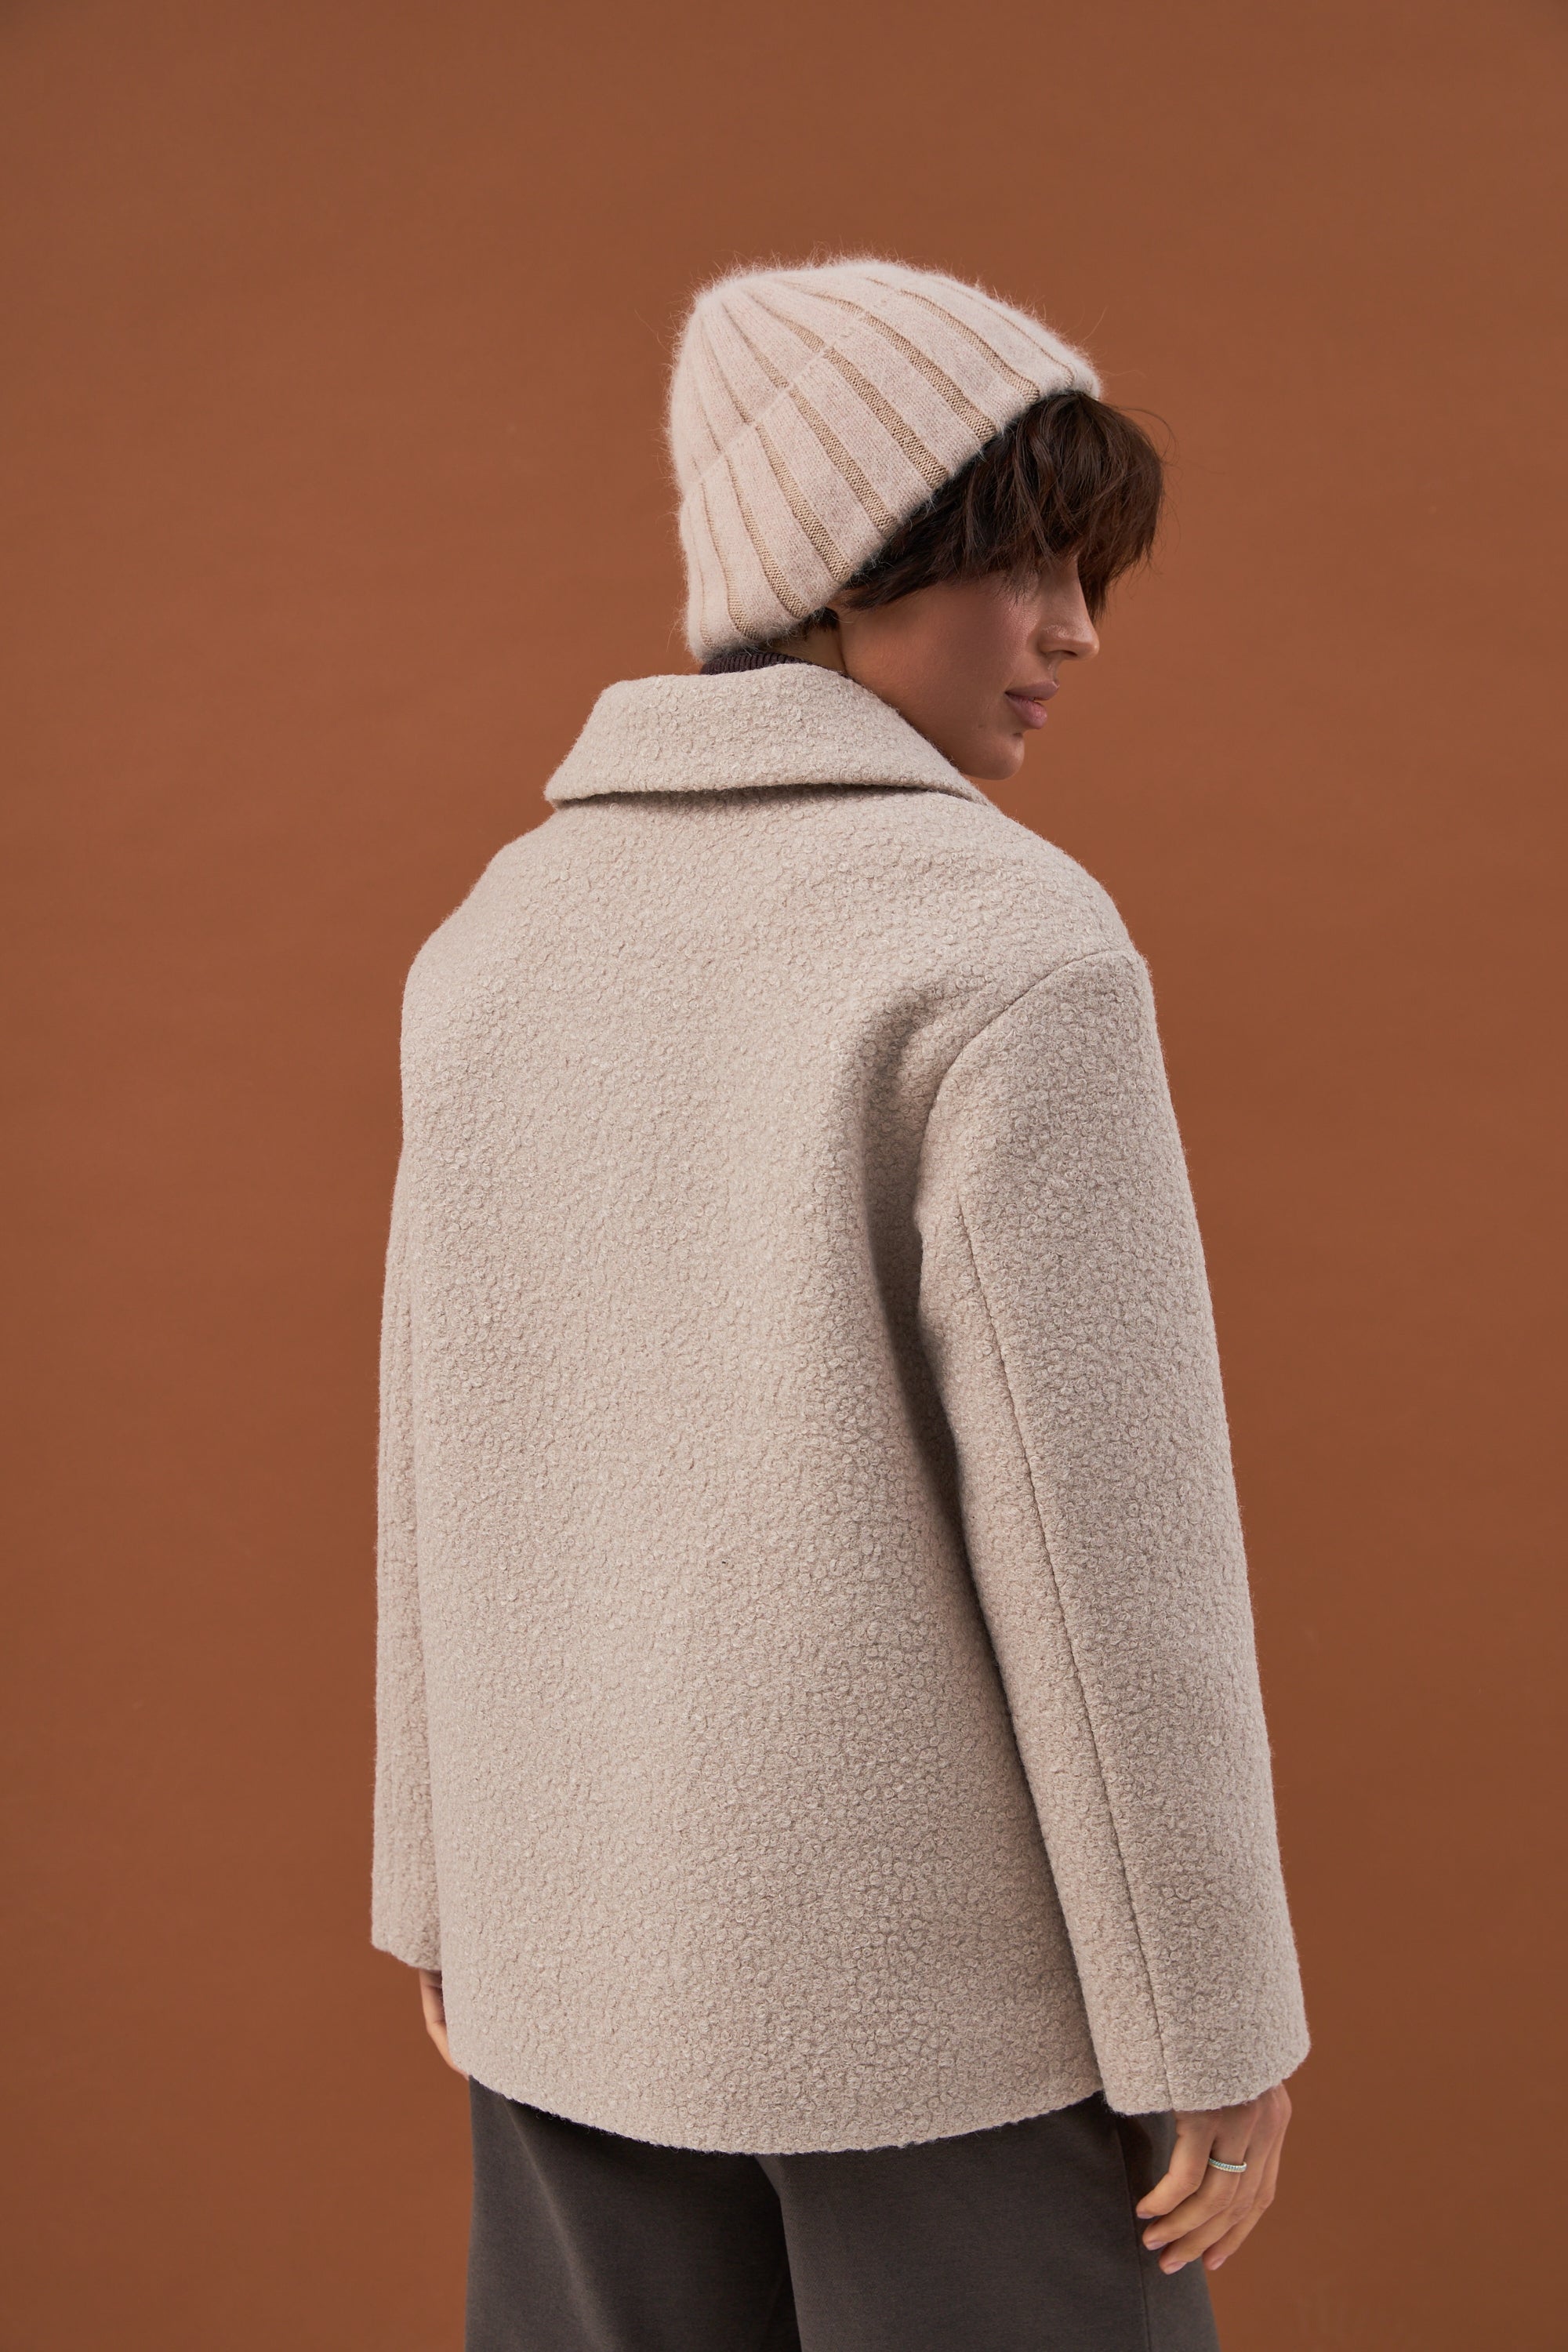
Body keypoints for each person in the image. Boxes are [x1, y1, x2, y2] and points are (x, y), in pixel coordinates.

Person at [372, 256, 1308, 2351]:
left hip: (571, 1973)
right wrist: (1212, 2014)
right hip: (943, 2028)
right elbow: (1106, 1543)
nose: (1076, 630)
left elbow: (444, 1442)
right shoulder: (1010, 948)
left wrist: (437, 1883)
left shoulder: (497, 934)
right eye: (1027, 563)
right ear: (844, 565)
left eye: (1088, 573)